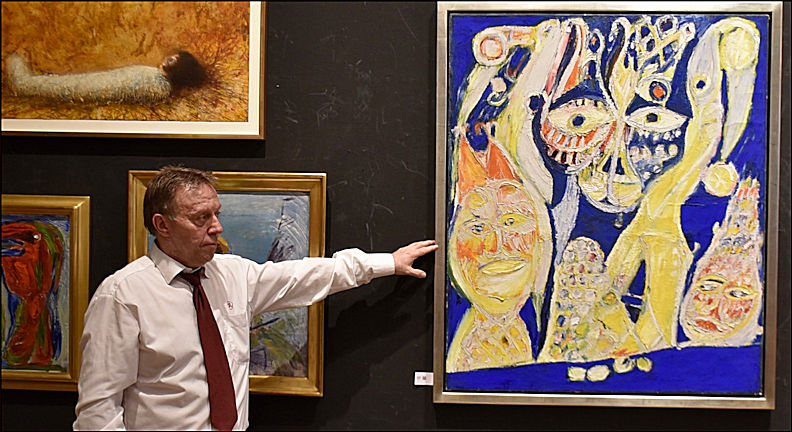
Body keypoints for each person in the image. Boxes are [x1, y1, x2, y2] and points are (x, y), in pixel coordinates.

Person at [72, 166, 438, 430]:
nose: (217, 227)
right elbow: (98, 410)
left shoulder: (232, 274)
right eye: (201, 218)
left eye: (217, 214)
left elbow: (303, 276)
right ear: (162, 225)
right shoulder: (123, 296)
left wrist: (387, 263)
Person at [5, 50, 206, 104]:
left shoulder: (158, 84)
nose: (172, 57)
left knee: (66, 86)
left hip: (101, 85)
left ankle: (18, 71)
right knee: (64, 84)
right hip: (103, 82)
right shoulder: (159, 83)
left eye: (176, 60)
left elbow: (119, 84)